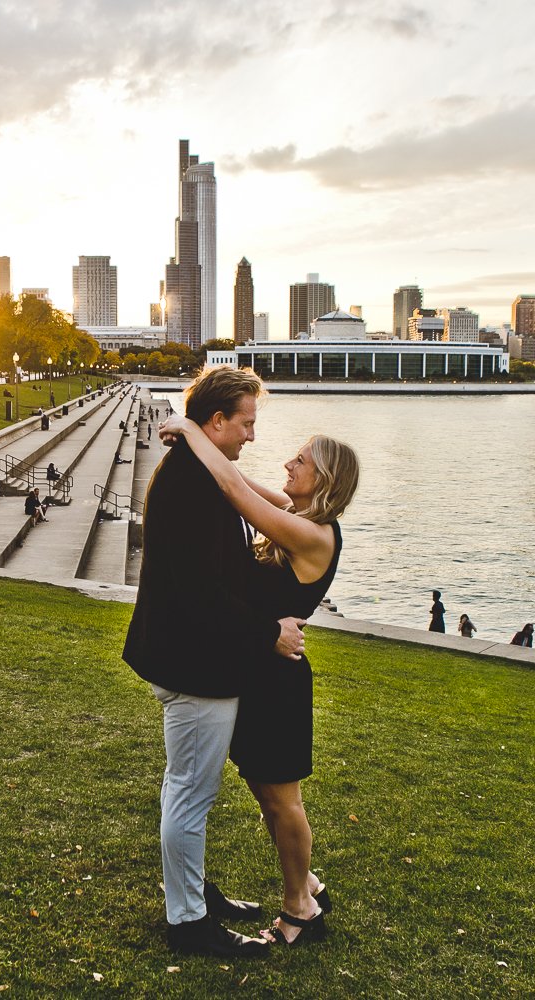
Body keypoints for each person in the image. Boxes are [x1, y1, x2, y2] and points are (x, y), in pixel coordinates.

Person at [158, 408, 360, 950]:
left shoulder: (314, 534)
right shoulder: (295, 512)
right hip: (258, 667)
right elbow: (241, 480)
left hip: (279, 681)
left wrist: (193, 430)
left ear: (326, 479)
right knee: (265, 792)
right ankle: (307, 881)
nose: (288, 464)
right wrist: (201, 443)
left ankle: (301, 907)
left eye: (301, 460)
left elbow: (232, 488)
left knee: (281, 799)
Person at [123, 366, 306, 959]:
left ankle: (193, 889)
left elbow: (220, 563)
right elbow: (201, 591)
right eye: (246, 423)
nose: (253, 435)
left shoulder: (200, 472)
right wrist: (269, 632)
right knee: (189, 793)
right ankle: (189, 922)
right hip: (194, 664)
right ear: (217, 420)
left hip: (188, 655)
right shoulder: (192, 484)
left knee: (188, 788)